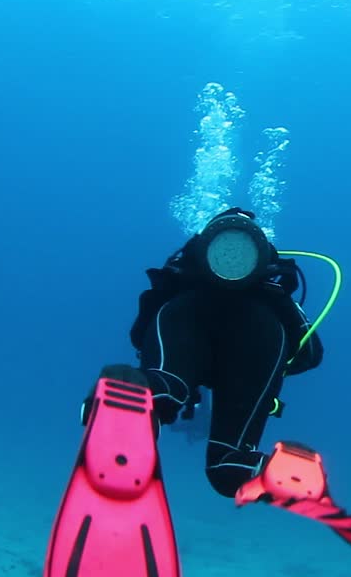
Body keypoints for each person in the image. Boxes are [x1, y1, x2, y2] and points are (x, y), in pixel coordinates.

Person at [122, 207, 325, 498]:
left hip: (187, 316)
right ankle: (290, 472)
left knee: (162, 389)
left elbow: (139, 335)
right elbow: (310, 355)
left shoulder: (180, 293)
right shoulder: (273, 297)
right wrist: (265, 374)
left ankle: (134, 402)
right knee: (229, 467)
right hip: (260, 335)